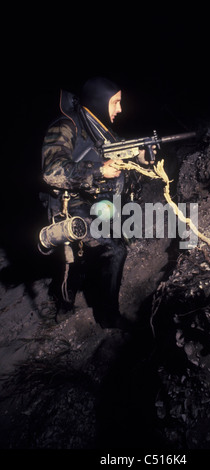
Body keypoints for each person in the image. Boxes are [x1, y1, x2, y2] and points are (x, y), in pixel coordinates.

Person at [41, 77, 143, 327]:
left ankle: (107, 314)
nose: (120, 109)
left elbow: (121, 154)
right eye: (116, 102)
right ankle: (65, 303)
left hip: (95, 202)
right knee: (75, 261)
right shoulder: (65, 126)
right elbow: (51, 172)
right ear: (99, 101)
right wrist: (97, 171)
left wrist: (142, 157)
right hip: (68, 206)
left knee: (110, 249)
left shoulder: (101, 129)